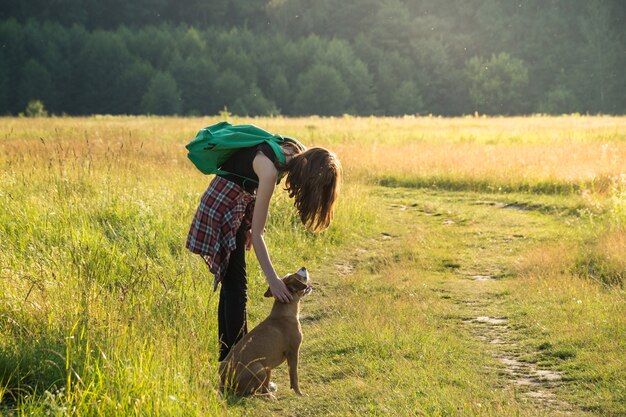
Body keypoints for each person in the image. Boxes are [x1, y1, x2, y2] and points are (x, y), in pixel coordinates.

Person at [186, 130, 341, 361]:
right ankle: (240, 363)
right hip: (220, 207)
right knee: (236, 288)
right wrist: (274, 281)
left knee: (233, 287)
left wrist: (248, 224)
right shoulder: (270, 169)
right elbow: (258, 234)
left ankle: (228, 361)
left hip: (236, 205)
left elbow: (248, 184)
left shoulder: (295, 151)